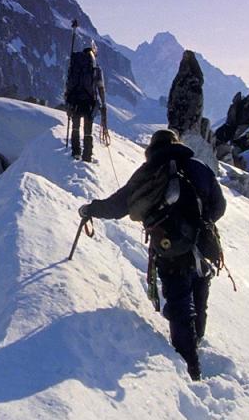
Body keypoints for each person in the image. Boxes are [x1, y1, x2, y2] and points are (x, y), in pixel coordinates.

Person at [79, 129, 226, 380]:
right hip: (203, 246)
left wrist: (89, 210)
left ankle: (189, 368)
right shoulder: (199, 168)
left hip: (169, 249)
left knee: (180, 304)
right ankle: (195, 343)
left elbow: (118, 205)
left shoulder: (147, 173)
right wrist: (200, 222)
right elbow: (219, 206)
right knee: (199, 295)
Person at [64, 43, 107, 162]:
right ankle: (87, 155)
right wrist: (103, 104)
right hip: (89, 102)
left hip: (75, 100)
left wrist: (67, 100)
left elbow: (68, 84)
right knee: (88, 130)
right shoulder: (95, 68)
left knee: (75, 127)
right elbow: (101, 87)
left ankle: (75, 152)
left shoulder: (75, 66)